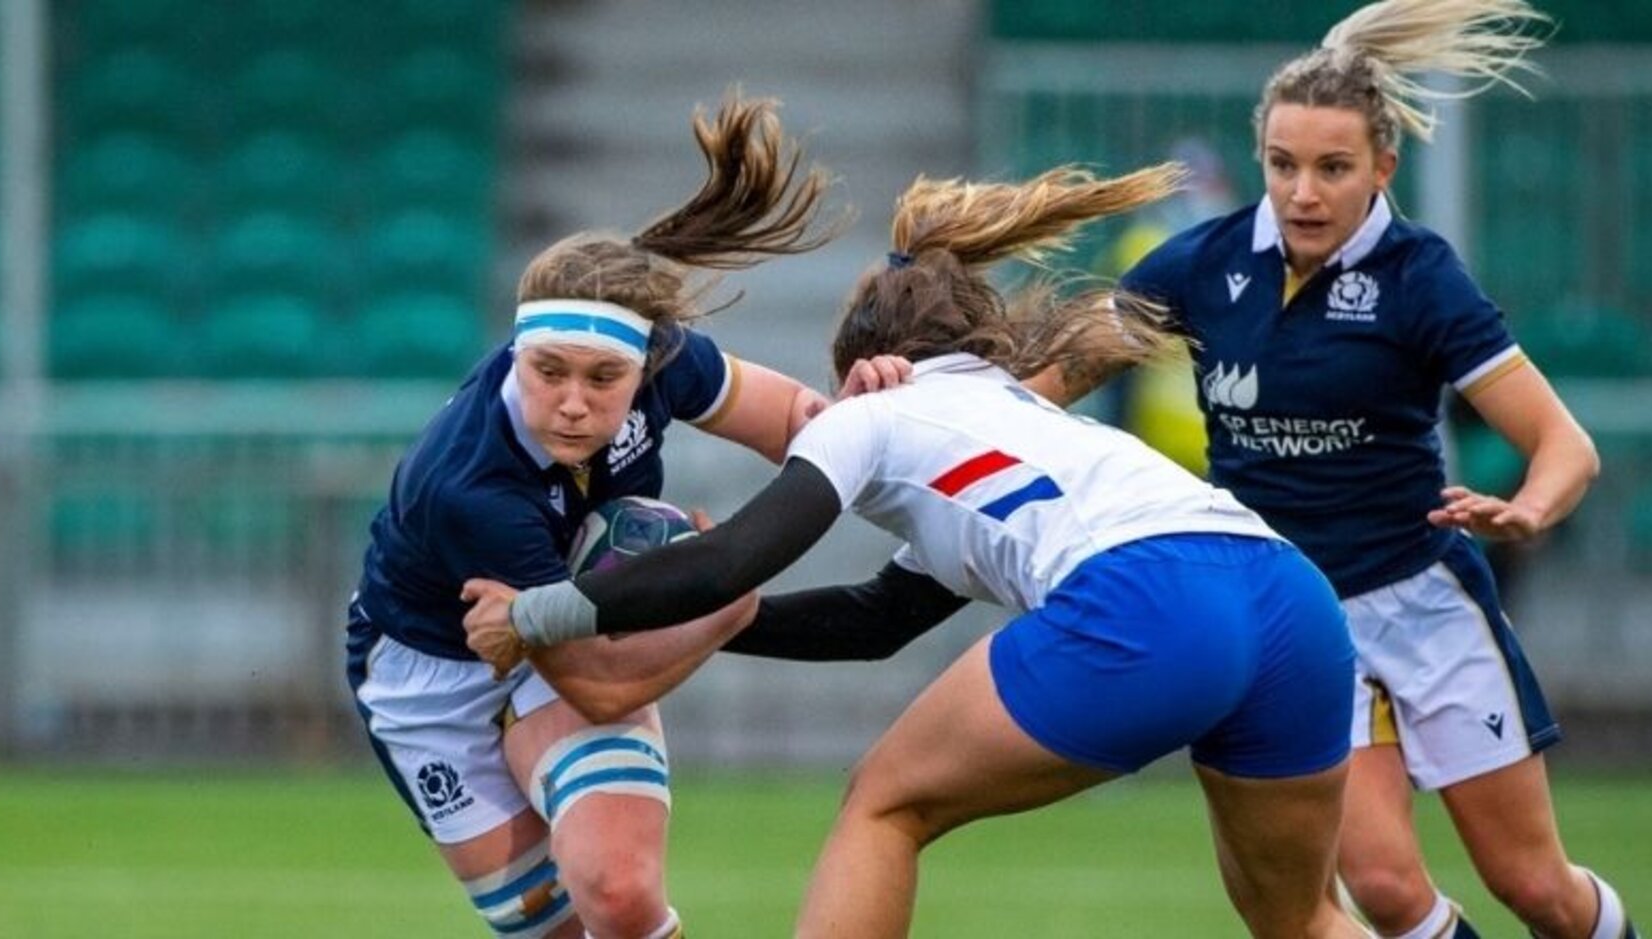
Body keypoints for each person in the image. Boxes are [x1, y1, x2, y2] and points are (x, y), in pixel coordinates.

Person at [462, 163, 1366, 939]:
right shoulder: (1017, 415)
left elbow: (732, 557)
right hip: (1289, 595)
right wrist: (709, 624)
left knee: (884, 806)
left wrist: (542, 611)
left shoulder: (874, 411)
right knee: (1302, 920)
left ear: (861, 358)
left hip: (1151, 597)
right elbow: (874, 618)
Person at [1110, 2, 1634, 937]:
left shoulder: (1420, 276)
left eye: (1332, 167)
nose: (1303, 192)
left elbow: (1566, 446)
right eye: (1283, 165)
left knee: (1536, 886)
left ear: (1383, 167)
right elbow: (1048, 375)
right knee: (1385, 890)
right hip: (1300, 622)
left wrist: (1529, 507)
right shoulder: (1199, 265)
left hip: (1424, 600)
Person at [345, 91, 905, 939]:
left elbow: (796, 423)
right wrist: (728, 598)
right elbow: (601, 686)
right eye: (548, 371)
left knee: (618, 892)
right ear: (519, 351)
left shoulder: (668, 356)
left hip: (567, 626)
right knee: (551, 927)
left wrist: (870, 413)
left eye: (600, 380)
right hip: (432, 673)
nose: (570, 403)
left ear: (643, 364)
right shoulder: (471, 488)